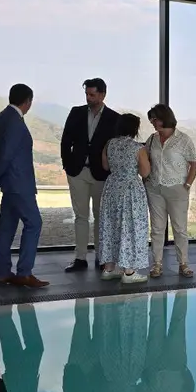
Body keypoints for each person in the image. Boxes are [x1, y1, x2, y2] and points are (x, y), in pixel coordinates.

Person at [0, 83, 49, 288]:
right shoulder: (15, 121)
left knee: (6, 227)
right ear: (28, 101)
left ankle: (3, 272)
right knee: (34, 223)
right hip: (19, 183)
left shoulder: (1, 118)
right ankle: (24, 272)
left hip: (9, 183)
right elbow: (6, 154)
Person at [61, 78, 119, 273]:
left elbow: (115, 147)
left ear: (103, 94)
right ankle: (80, 258)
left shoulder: (114, 118)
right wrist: (67, 165)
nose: (88, 98)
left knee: (101, 217)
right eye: (87, 94)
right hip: (77, 171)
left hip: (101, 174)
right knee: (80, 216)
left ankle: (102, 257)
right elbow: (65, 141)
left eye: (92, 95)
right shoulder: (76, 112)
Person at [144, 104, 196, 279]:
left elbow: (194, 163)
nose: (153, 122)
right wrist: (146, 179)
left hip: (177, 189)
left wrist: (187, 185)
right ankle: (157, 265)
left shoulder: (183, 140)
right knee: (157, 229)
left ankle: (183, 264)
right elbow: (144, 159)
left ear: (164, 118)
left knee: (180, 229)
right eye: (151, 119)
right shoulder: (152, 139)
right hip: (154, 189)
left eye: (155, 119)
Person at [98, 113, 151, 283]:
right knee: (130, 227)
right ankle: (128, 272)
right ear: (135, 129)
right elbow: (145, 172)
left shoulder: (109, 144)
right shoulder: (138, 148)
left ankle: (108, 269)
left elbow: (106, 166)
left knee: (110, 226)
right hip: (130, 190)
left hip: (111, 187)